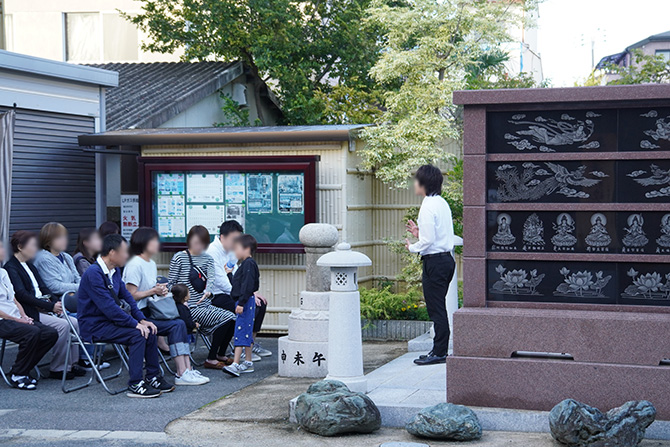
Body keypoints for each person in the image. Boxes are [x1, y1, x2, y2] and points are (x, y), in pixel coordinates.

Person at [77, 234, 174, 398]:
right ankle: (135, 383)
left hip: (110, 322)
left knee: (149, 330)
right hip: (94, 325)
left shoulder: (114, 271)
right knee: (138, 334)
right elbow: (108, 308)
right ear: (112, 252)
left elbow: (128, 299)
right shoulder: (94, 273)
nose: (127, 255)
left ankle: (153, 377)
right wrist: (135, 324)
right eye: (124, 252)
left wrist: (142, 320)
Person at [123, 227, 208, 386]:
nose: (157, 244)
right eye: (154, 240)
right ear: (144, 243)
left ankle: (187, 369)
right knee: (176, 325)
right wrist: (152, 291)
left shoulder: (151, 263)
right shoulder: (135, 264)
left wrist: (159, 290)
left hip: (150, 311)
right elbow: (130, 295)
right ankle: (182, 372)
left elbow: (149, 290)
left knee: (179, 322)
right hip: (138, 314)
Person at [4, 231, 84, 379]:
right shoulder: (11, 268)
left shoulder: (30, 265)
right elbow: (22, 295)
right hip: (31, 310)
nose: (36, 249)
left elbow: (44, 287)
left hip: (43, 307)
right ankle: (58, 368)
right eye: (33, 245)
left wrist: (55, 302)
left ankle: (71, 364)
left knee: (75, 323)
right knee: (63, 326)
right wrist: (50, 307)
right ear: (20, 247)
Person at [405, 164, 455, 366]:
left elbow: (427, 242)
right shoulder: (441, 203)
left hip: (434, 262)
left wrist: (412, 246)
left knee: (436, 309)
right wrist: (420, 233)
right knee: (439, 307)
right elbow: (435, 235)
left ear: (423, 183)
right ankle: (437, 349)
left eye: (416, 180)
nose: (414, 183)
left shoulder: (427, 206)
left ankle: (440, 352)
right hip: (446, 260)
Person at [168, 225, 235, 370]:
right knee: (227, 317)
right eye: (196, 242)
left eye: (202, 243)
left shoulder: (207, 258)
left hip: (204, 303)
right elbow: (170, 283)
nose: (199, 246)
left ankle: (219, 353)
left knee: (232, 316)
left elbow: (211, 279)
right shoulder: (180, 257)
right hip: (187, 307)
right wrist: (179, 301)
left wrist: (208, 291)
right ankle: (211, 358)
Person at [207, 220, 271, 359]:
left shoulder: (231, 251)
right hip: (216, 295)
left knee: (260, 303)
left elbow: (237, 275)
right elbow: (221, 281)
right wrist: (244, 295)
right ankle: (241, 347)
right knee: (248, 306)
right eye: (234, 239)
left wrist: (251, 293)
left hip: (231, 292)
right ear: (223, 237)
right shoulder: (212, 252)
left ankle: (249, 345)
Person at [0, 240, 58, 390]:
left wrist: (24, 316)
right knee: (32, 332)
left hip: (16, 317)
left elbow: (14, 299)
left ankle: (20, 370)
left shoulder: (3, 272)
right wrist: (16, 319)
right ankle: (18, 375)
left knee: (50, 333)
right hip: (3, 319)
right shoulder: (10, 268)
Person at [223, 235, 260, 377]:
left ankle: (236, 363)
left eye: (237, 248)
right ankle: (248, 361)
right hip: (245, 300)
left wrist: (242, 302)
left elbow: (247, 286)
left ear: (246, 248)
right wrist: (230, 275)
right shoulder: (247, 264)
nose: (235, 252)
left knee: (240, 330)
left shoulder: (248, 264)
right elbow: (239, 286)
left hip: (244, 302)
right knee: (246, 330)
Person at [34, 222, 80, 298]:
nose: (64, 240)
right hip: (59, 301)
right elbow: (54, 286)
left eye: (64, 236)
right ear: (48, 240)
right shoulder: (44, 259)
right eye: (59, 237)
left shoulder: (66, 256)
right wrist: (81, 287)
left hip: (73, 297)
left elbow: (77, 277)